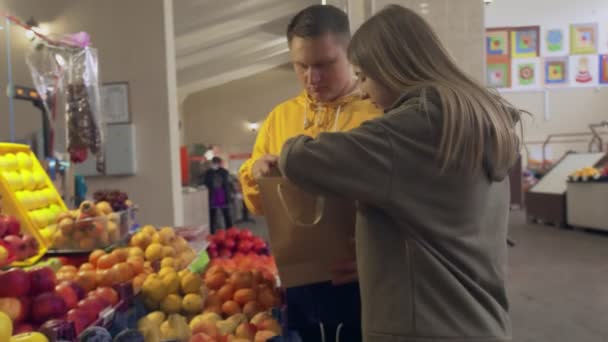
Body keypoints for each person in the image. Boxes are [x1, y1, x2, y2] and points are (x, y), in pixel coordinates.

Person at [278, 5, 520, 342]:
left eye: (363, 75)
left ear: (392, 68)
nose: (362, 90)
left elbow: (301, 161)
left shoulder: (415, 127)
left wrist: (288, 146)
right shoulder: (472, 117)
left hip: (423, 330)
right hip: (479, 322)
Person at [238, 4, 381, 341]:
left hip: (367, 279)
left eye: (325, 65)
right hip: (299, 280)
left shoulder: (378, 112)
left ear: (351, 54)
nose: (312, 79)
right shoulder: (280, 117)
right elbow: (257, 206)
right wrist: (256, 173)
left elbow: (414, 203)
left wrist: (382, 260)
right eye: (301, 66)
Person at [202, 157, 233, 232]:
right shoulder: (208, 172)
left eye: (216, 163)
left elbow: (227, 183)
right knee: (212, 215)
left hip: (222, 195)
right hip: (212, 196)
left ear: (219, 163)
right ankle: (212, 232)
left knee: (226, 214)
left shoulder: (224, 172)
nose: (215, 164)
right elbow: (206, 183)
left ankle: (230, 231)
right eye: (214, 163)